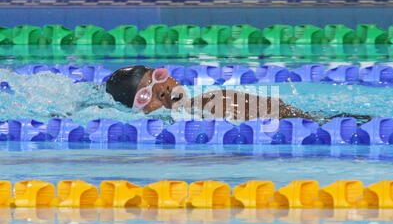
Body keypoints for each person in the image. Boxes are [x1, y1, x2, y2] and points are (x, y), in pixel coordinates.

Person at [105, 65, 370, 123]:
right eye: (146, 95)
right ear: (136, 110)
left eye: (158, 77)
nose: (161, 89)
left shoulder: (212, 102)